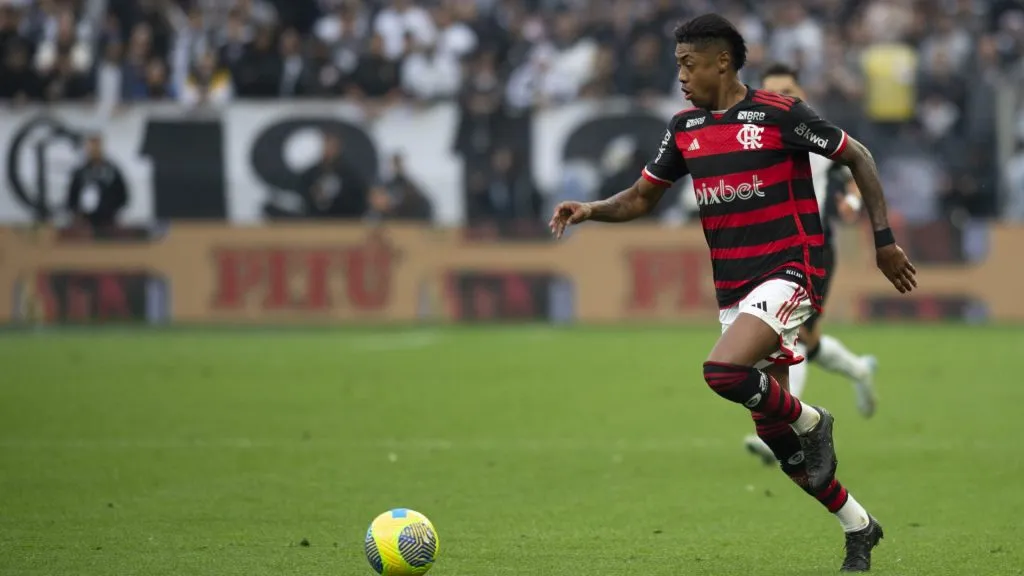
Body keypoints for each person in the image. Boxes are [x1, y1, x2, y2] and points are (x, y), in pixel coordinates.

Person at [549, 14, 916, 572]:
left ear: (721, 61)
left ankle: (815, 420)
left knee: (721, 373)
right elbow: (643, 198)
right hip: (736, 289)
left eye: (688, 63)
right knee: (781, 444)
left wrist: (883, 241)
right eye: (678, 65)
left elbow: (857, 155)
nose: (681, 75)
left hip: (792, 272)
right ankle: (859, 526)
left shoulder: (779, 115)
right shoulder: (684, 128)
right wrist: (592, 210)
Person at [743, 63, 879, 466]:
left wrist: (851, 201)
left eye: (786, 90)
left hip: (813, 247)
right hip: (771, 246)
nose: (779, 98)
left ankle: (784, 431)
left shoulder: (814, 129)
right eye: (771, 92)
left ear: (800, 90)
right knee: (809, 341)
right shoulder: (753, 136)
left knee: (793, 337)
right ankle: (860, 370)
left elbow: (851, 169)